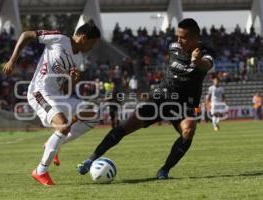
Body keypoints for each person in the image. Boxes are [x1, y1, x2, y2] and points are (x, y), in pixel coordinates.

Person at [77, 18, 214, 179]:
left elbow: (206, 65)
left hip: (184, 104)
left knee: (189, 129)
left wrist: (197, 62)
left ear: (194, 37)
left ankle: (164, 170)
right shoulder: (174, 47)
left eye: (182, 37)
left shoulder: (206, 52)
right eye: (177, 36)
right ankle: (90, 159)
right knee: (126, 125)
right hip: (160, 98)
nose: (178, 40)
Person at [3, 21, 101, 186]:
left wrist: (73, 79)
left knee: (93, 114)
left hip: (56, 96)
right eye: (93, 43)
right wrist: (13, 60)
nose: (92, 47)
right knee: (63, 126)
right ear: (84, 38)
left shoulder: (78, 59)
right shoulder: (59, 39)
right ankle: (40, 171)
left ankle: (55, 142)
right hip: (39, 92)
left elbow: (65, 89)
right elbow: (26, 35)